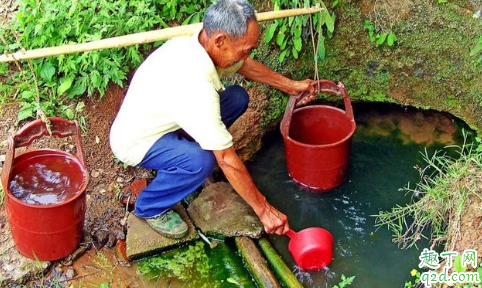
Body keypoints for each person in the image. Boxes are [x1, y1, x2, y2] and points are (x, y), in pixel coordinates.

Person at [110, 0, 315, 239]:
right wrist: (264, 210)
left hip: (166, 119)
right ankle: (150, 206)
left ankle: (183, 158)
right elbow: (226, 160)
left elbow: (244, 65)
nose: (247, 55)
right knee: (202, 161)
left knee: (237, 98)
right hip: (138, 141)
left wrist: (291, 86)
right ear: (220, 41)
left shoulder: (201, 40)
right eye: (245, 49)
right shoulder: (195, 86)